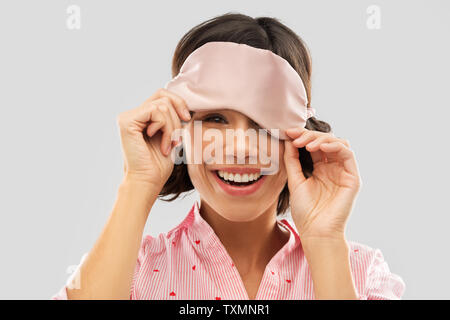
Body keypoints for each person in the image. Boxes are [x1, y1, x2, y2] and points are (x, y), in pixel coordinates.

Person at [52, 12, 405, 300]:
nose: (239, 147)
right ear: (180, 127)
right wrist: (137, 182)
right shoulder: (130, 269)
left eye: (266, 123)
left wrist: (325, 242)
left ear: (300, 136)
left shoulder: (361, 273)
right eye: (215, 118)